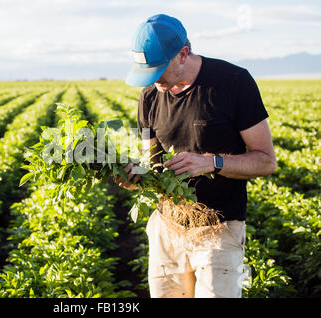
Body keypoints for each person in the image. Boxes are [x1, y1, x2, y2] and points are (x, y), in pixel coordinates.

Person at [116, 14, 276, 298]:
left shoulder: (233, 83)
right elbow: (151, 163)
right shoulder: (149, 96)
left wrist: (211, 162)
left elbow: (265, 161)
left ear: (183, 54)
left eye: (158, 70)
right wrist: (135, 176)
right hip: (167, 227)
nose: (153, 81)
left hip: (219, 228)